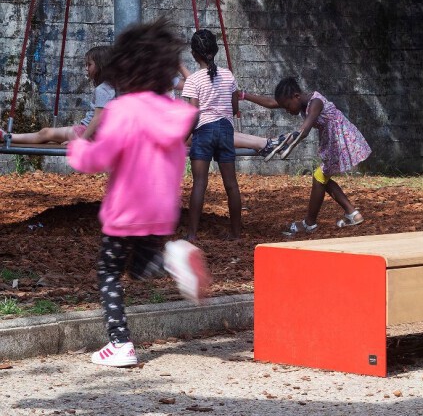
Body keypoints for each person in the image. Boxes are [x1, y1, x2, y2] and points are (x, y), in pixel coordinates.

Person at [66, 18, 210, 367]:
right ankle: (173, 259)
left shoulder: (123, 110)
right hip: (161, 211)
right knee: (141, 267)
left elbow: (98, 158)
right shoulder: (174, 113)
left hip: (126, 209)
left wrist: (77, 147)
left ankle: (120, 344)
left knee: (109, 272)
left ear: (124, 68)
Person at [242, 77, 371, 234]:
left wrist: (281, 143)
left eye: (287, 106)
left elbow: (304, 130)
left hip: (340, 140)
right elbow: (271, 102)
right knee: (322, 177)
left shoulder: (316, 102)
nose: (287, 111)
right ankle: (352, 213)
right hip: (333, 140)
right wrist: (243, 95)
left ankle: (309, 223)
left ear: (296, 96)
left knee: (319, 177)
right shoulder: (299, 101)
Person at [181, 29, 242, 241]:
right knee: (231, 184)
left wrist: (183, 137)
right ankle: (236, 233)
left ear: (193, 54)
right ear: (215, 51)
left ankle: (192, 234)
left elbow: (193, 115)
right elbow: (234, 107)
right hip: (225, 129)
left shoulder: (193, 80)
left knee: (200, 182)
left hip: (204, 131)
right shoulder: (228, 75)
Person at [1, 46, 114, 144]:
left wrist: (81, 142)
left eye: (89, 65)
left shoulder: (102, 89)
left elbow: (97, 118)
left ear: (101, 66)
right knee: (47, 134)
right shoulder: (112, 87)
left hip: (86, 134)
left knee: (45, 133)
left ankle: (7, 137)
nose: (86, 68)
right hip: (94, 134)